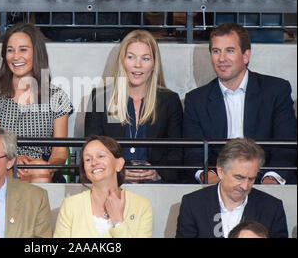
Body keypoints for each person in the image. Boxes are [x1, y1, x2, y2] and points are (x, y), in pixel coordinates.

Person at [183, 22, 297, 184]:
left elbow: (286, 145)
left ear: (245, 56)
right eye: (216, 51)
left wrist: (272, 179)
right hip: (217, 183)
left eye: (230, 50)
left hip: (263, 180)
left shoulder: (276, 90)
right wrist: (211, 178)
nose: (222, 58)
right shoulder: (196, 100)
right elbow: (193, 154)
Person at [0, 22, 73, 183]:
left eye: (23, 50)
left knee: (39, 175)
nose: (15, 56)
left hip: (42, 169)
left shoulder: (56, 96)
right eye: (10, 50)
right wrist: (12, 161)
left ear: (36, 53)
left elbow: (59, 153)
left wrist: (43, 167)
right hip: (2, 166)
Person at [85, 29, 183, 183]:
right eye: (131, 57)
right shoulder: (100, 98)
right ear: (122, 61)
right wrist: (117, 172)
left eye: (145, 58)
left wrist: (158, 173)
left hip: (156, 186)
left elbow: (176, 152)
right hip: (112, 183)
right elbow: (92, 149)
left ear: (153, 64)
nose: (138, 65)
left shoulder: (169, 100)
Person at [176, 138, 288, 238]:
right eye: (239, 177)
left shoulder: (272, 208)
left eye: (251, 179)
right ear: (220, 172)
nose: (245, 186)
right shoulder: (193, 204)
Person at [54, 135, 153, 237]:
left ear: (119, 164)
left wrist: (118, 221)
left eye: (101, 156)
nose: (94, 162)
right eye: (88, 159)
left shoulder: (142, 206)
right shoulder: (70, 206)